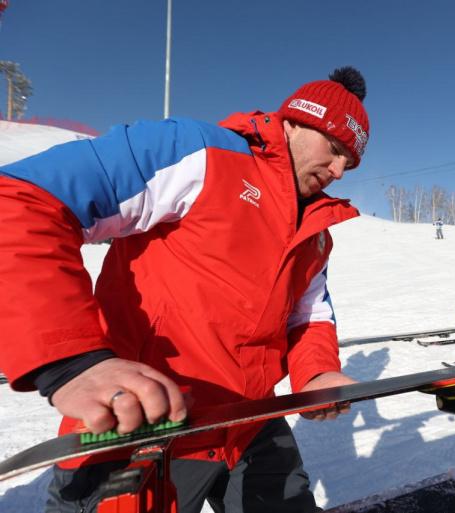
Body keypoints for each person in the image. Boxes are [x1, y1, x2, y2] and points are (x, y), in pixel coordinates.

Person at [0, 66, 370, 513]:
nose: (339, 171)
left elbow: (309, 314)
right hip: (146, 420)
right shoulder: (200, 153)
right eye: (335, 150)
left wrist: (317, 373)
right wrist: (70, 358)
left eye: (350, 163)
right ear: (295, 122)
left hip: (250, 420)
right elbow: (22, 198)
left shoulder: (316, 232)